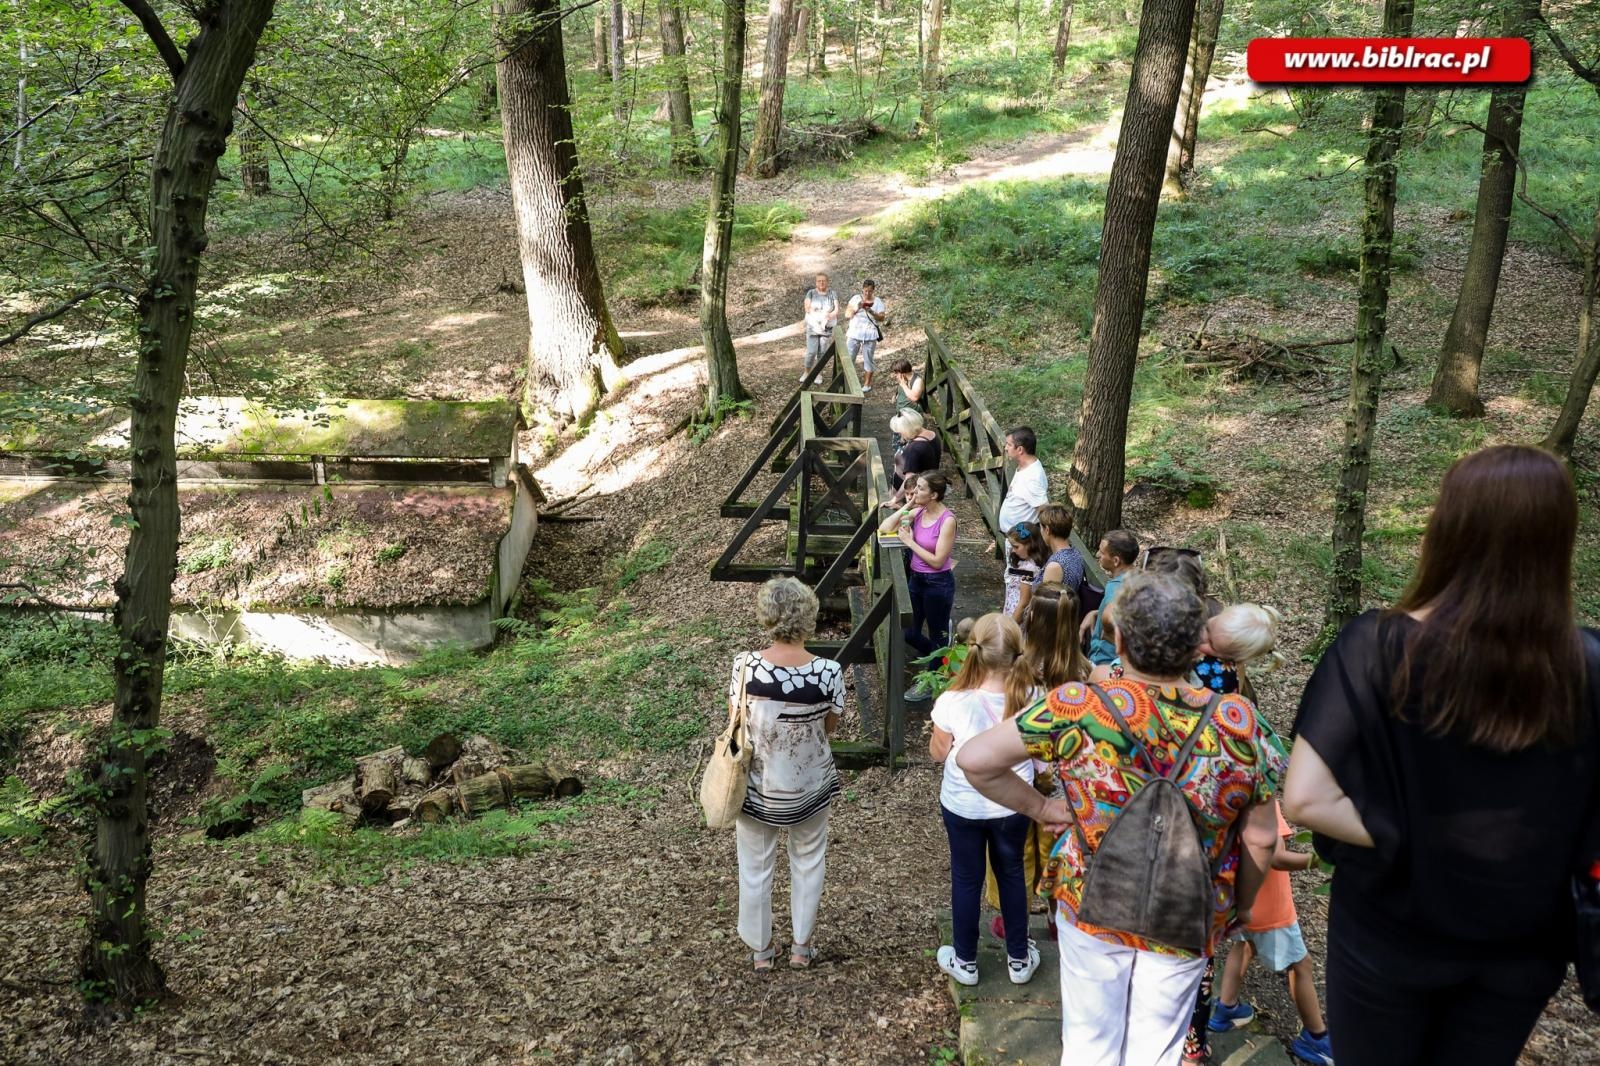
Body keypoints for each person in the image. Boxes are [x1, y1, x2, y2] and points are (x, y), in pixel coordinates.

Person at [1284, 444, 1600, 1066]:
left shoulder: (1376, 647)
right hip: (1523, 945)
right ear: (1557, 540)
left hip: (1389, 934)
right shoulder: (1589, 668)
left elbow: (1305, 798)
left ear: (1449, 528)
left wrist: (1408, 835)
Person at [958, 572, 1284, 1066]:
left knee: (1090, 1043)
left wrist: (1045, 808)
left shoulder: (1080, 705)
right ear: (1199, 646)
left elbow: (976, 760)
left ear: (1120, 639)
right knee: (1157, 1051)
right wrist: (1239, 906)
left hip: (1091, 896)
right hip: (1189, 908)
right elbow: (1260, 837)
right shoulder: (1239, 722)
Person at [728, 577, 845, 972]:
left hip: (758, 787)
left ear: (767, 617)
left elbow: (737, 725)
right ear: (808, 616)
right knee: (809, 861)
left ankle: (761, 952)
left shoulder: (745, 666)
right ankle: (801, 947)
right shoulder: (828, 672)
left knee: (755, 865)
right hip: (809, 786)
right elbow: (829, 729)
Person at [930, 613, 1042, 987]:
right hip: (1015, 804)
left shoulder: (953, 700)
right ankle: (1019, 958)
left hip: (963, 802)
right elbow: (1042, 755)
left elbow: (939, 753)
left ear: (972, 650)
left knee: (966, 877)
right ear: (1016, 653)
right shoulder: (1034, 697)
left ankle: (965, 960)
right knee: (1011, 873)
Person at [1208, 800, 1333, 1066]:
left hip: (1240, 899)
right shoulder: (1260, 796)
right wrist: (1321, 862)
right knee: (1300, 965)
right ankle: (1315, 1038)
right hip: (1271, 907)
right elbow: (1276, 858)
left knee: (1243, 946)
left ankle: (1226, 1010)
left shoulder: (1223, 793)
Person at [879, 472, 957, 699]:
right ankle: (942, 658)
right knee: (909, 632)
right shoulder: (919, 510)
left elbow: (938, 561)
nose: (913, 492)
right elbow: (885, 527)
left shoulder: (947, 520)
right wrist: (910, 504)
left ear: (934, 494)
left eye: (920, 489)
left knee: (936, 632)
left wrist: (909, 542)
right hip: (917, 580)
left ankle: (929, 683)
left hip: (938, 584)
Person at [998, 426, 1049, 619]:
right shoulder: (1024, 467)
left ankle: (1015, 619)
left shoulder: (1033, 477)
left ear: (1020, 449)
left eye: (1009, 444)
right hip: (1014, 538)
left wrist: (1040, 541)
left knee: (1020, 584)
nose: (1005, 448)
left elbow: (1043, 510)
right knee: (1012, 580)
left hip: (1024, 542)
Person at [1013, 504, 1085, 623]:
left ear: (1047, 530)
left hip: (1049, 629)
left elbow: (1044, 607)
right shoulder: (1075, 554)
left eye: (1041, 528)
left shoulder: (1055, 566)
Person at [1081, 530, 1140, 666]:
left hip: (1105, 660)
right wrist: (1095, 613)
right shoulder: (1139, 578)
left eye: (1102, 553)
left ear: (1116, 561)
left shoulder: (1116, 589)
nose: (1098, 555)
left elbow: (1113, 620)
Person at [889, 409, 940, 504]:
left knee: (903, 518)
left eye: (900, 432)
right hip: (929, 489)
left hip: (911, 498)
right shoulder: (932, 435)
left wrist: (895, 499)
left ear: (907, 429)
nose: (900, 436)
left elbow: (909, 479)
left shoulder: (913, 449)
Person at [845, 279, 887, 393]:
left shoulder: (877, 301)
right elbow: (847, 315)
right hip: (854, 332)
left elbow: (882, 318)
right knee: (849, 358)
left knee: (868, 359)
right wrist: (857, 307)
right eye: (865, 291)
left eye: (870, 291)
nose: (867, 293)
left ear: (873, 290)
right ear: (862, 289)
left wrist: (871, 311)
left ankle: (867, 383)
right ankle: (847, 381)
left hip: (870, 333)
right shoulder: (855, 298)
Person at [801, 273, 839, 382]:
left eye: (823, 280)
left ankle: (819, 374)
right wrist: (818, 317)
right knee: (811, 351)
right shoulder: (811, 293)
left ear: (827, 282)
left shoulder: (832, 293)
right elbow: (807, 307)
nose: (821, 283)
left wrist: (829, 316)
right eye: (819, 281)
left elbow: (836, 309)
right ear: (816, 282)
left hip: (826, 327)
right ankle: (807, 372)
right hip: (813, 326)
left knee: (822, 352)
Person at [1002, 521, 1045, 618]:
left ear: (1030, 544)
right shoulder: (1025, 563)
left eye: (1016, 547)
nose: (1013, 550)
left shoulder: (1029, 569)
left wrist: (1011, 625)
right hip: (1011, 611)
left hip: (1017, 618)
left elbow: (1024, 602)